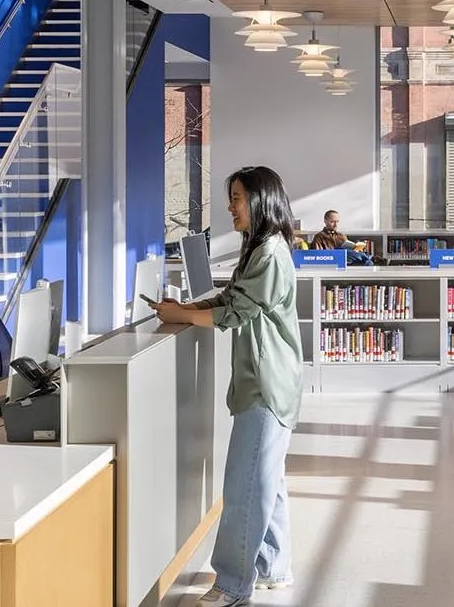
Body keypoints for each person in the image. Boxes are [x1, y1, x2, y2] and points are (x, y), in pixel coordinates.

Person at [155, 168, 303, 606]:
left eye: (236, 198)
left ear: (259, 201)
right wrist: (188, 307)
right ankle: (274, 568)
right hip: (263, 381)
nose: (230, 206)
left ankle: (233, 585)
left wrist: (182, 316)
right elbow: (230, 297)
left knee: (244, 486)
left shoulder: (271, 253)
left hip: (267, 385)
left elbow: (238, 311)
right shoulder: (257, 248)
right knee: (267, 479)